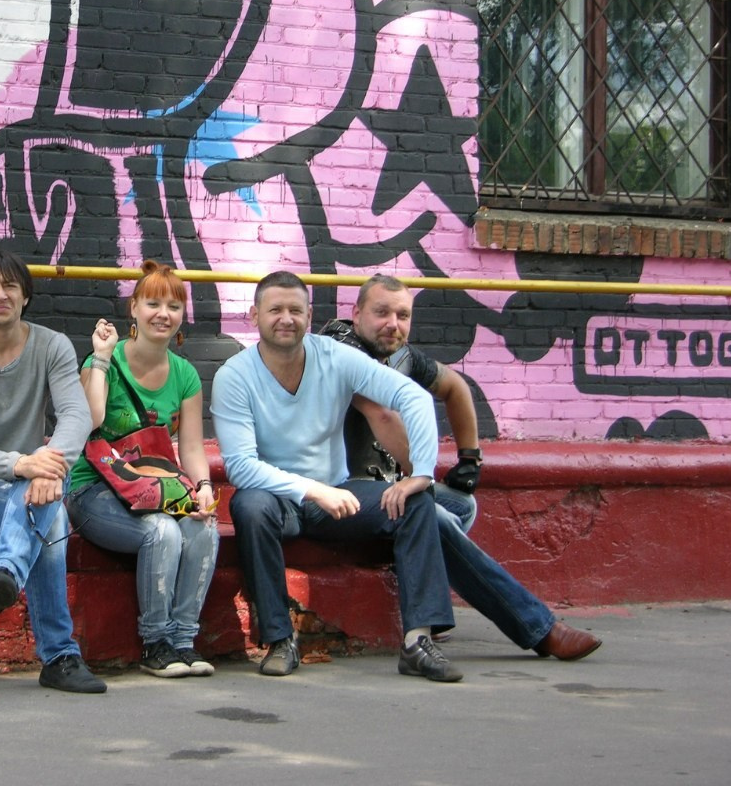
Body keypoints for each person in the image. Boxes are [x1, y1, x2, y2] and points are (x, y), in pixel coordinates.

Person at [320, 274, 601, 661]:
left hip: (384, 495)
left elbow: (454, 386)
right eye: (381, 313)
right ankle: (539, 628)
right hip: (340, 493)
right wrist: (422, 477)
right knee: (430, 512)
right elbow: (382, 413)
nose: (393, 324)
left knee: (461, 505)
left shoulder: (400, 356)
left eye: (403, 316)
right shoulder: (339, 347)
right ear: (356, 313)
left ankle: (419, 587)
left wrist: (470, 458)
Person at [212, 270, 463, 682]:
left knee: (417, 501)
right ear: (255, 315)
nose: (286, 319)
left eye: (296, 310)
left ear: (310, 316)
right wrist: (313, 490)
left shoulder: (334, 356)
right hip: (281, 502)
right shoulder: (234, 375)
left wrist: (421, 472)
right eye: (275, 310)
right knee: (249, 504)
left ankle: (417, 642)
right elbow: (240, 466)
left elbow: (412, 396)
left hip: (338, 497)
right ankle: (279, 640)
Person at [0, 248, 105, 694]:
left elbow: (76, 415)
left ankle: (4, 570)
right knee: (50, 516)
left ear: (25, 295)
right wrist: (22, 464)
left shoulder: (52, 345)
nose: (0, 294)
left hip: (36, 480)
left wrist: (47, 468)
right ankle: (60, 656)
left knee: (49, 510)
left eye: (10, 285)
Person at [66, 260, 219, 678]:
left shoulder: (185, 375)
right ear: (133, 308)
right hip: (92, 489)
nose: (162, 314)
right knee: (162, 531)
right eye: (153, 303)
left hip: (151, 486)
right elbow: (91, 420)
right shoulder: (103, 360)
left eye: (173, 306)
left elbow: (191, 447)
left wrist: (203, 486)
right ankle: (156, 644)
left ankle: (184, 640)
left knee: (203, 527)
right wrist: (100, 359)